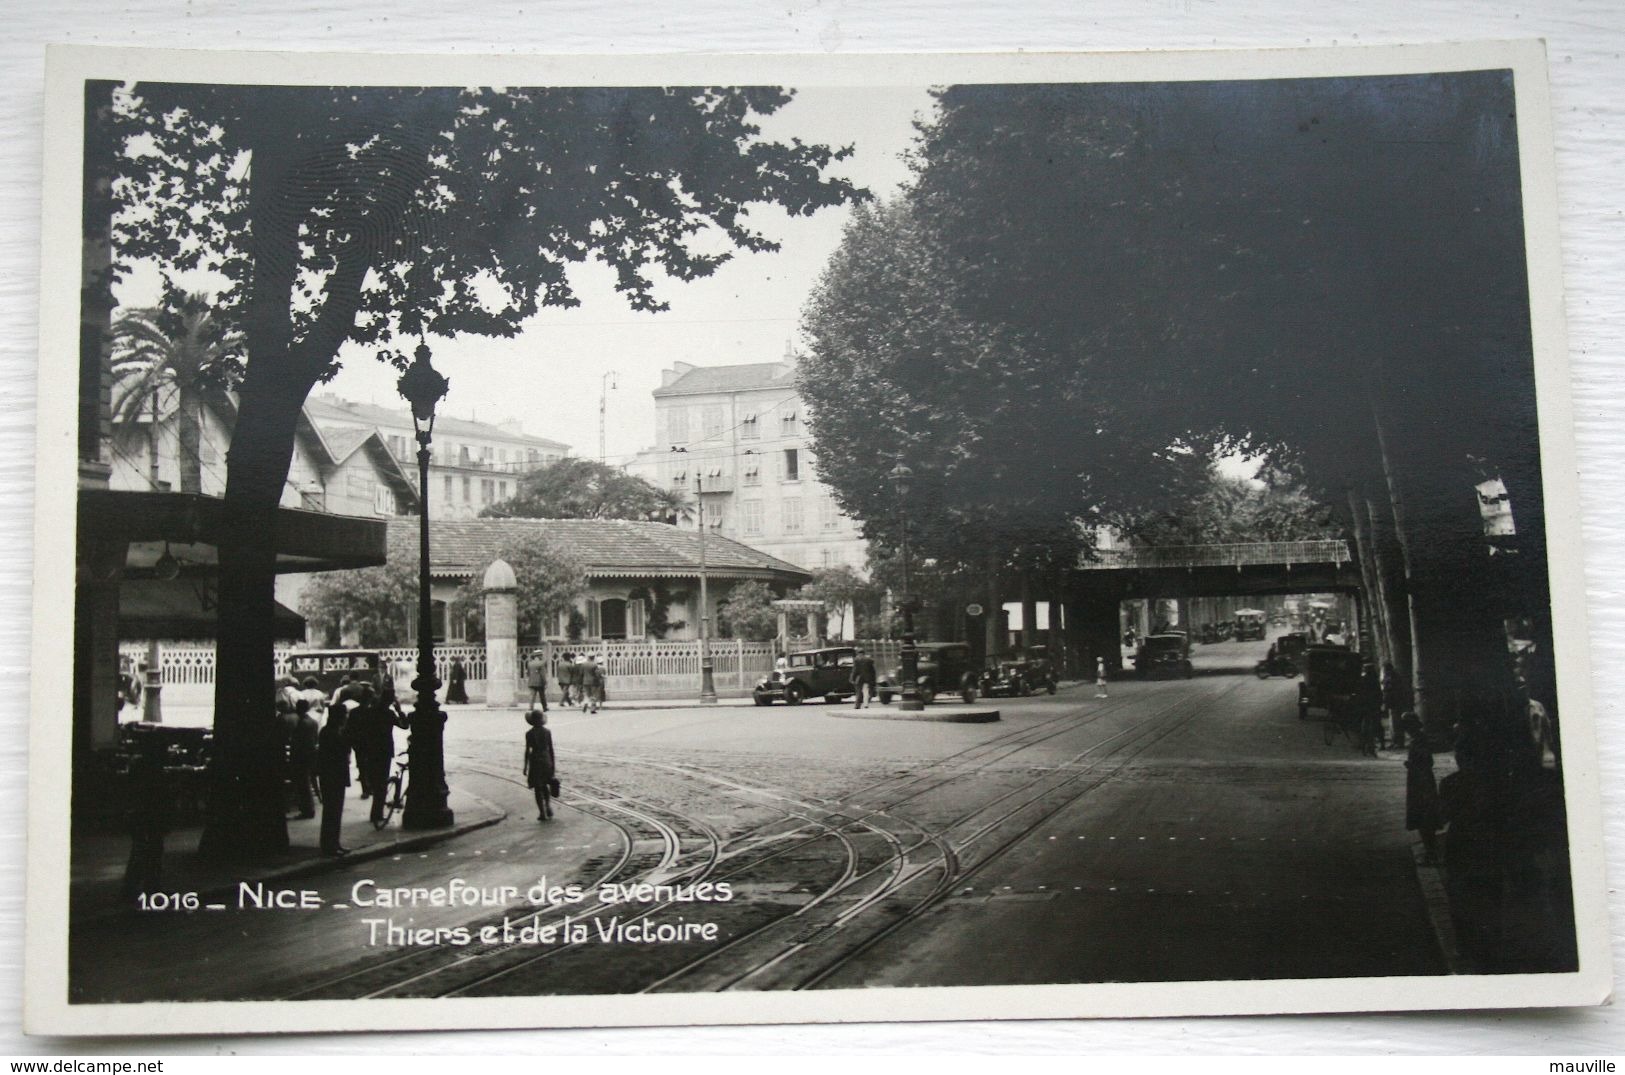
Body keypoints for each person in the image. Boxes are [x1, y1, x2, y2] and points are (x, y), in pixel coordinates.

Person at [120, 736, 169, 904]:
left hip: (141, 814)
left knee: (141, 850)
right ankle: (149, 886)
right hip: (149, 814)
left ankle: (134, 887)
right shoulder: (154, 769)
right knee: (151, 850)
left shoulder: (140, 767)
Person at [1401, 713, 1441, 864]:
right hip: (1419, 780)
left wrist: (1412, 765)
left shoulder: (1419, 740)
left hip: (1421, 781)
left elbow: (1426, 761)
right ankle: (1430, 851)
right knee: (1423, 816)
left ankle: (1431, 853)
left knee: (1424, 816)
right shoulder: (1417, 739)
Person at [317, 703, 352, 856]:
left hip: (333, 776)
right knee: (332, 811)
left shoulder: (330, 731)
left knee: (334, 812)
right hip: (333, 776)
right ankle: (329, 845)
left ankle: (333, 843)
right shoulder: (332, 733)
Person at [522, 709, 557, 821]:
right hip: (546, 760)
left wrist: (525, 766)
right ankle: (547, 805)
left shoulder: (529, 734)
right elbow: (551, 749)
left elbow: (527, 751)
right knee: (546, 784)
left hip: (535, 761)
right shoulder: (547, 732)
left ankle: (542, 812)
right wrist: (552, 764)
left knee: (538, 787)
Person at [287, 698, 320, 820]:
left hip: (301, 756)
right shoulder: (313, 722)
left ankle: (307, 810)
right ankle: (308, 809)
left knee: (302, 785)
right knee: (306, 783)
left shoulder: (301, 724)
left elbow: (297, 743)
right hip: (310, 755)